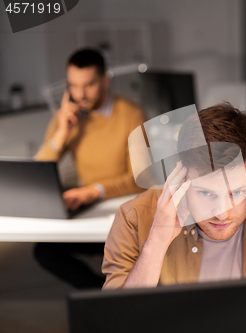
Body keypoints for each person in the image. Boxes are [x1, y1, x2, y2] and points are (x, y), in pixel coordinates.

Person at [102, 103, 246, 289]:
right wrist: (156, 244)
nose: (222, 213)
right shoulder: (134, 219)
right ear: (181, 176)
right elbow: (117, 322)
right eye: (205, 193)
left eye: (237, 192)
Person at [33, 48, 145, 289]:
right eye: (73, 85)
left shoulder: (131, 115)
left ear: (105, 80)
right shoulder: (68, 117)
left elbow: (140, 178)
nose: (80, 94)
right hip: (90, 211)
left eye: (89, 85)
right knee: (44, 251)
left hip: (126, 214)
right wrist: (62, 133)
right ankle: (98, 292)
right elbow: (38, 169)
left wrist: (93, 191)